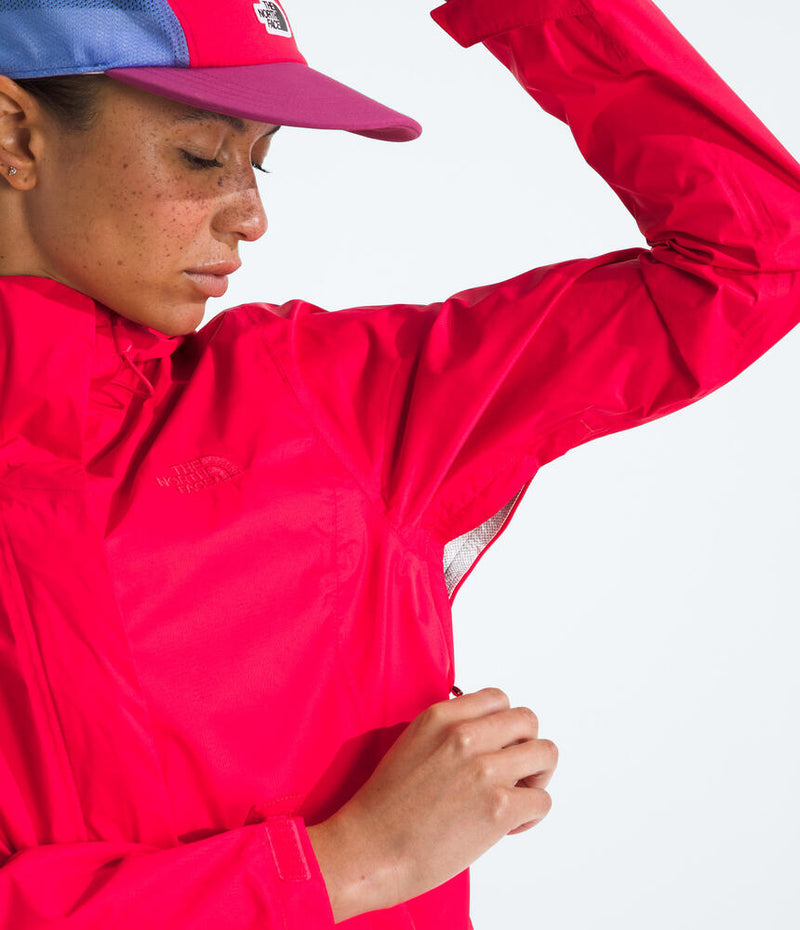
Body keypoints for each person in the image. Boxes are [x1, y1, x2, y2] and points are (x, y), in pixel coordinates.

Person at [0, 0, 797, 927]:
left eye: (261, 160)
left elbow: (754, 258)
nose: (252, 216)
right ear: (15, 133)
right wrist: (353, 862)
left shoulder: (335, 405)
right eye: (202, 155)